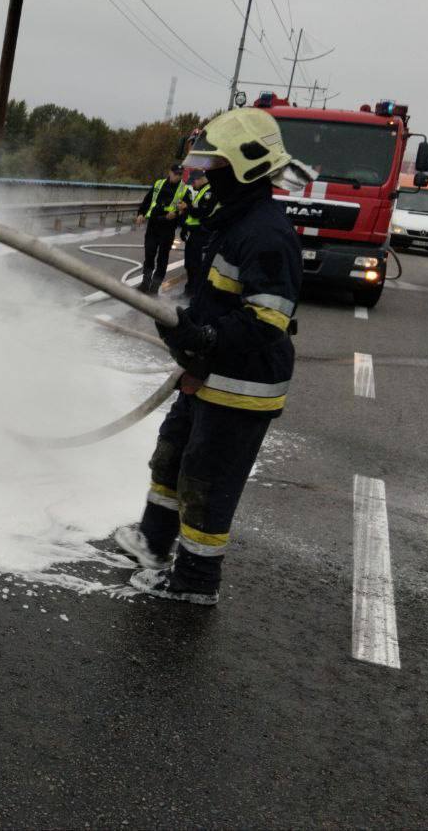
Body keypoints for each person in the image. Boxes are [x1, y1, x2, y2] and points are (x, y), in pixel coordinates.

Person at [113, 107, 302, 605]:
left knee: (207, 481)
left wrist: (206, 337)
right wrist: (191, 337)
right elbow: (213, 296)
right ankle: (153, 545)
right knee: (172, 455)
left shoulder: (264, 234)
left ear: (245, 166)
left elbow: (267, 321)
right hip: (208, 369)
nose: (205, 172)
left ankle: (196, 582)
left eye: (216, 163)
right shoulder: (228, 219)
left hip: (243, 383)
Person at [134, 165, 187, 293]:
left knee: (162, 258)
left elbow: (186, 210)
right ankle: (145, 283)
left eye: (180, 174)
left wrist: (177, 214)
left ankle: (155, 287)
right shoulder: (159, 184)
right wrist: (141, 214)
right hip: (153, 225)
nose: (177, 176)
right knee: (149, 254)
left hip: (168, 228)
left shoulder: (184, 190)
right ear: (170, 172)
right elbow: (147, 201)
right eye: (175, 173)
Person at [180, 171, 216, 299]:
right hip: (193, 232)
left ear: (201, 179)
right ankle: (188, 291)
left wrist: (186, 207)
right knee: (189, 264)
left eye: (194, 181)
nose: (193, 184)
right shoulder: (202, 190)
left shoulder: (209, 192)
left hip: (201, 234)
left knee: (196, 265)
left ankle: (194, 293)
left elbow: (201, 212)